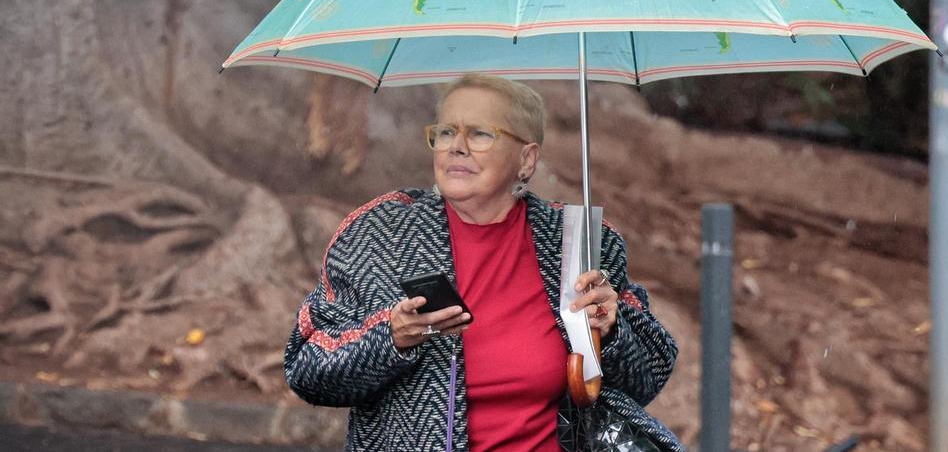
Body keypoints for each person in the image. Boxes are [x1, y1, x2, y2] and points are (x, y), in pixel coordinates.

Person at [283, 74, 682, 451]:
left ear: (526, 159)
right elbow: (307, 369)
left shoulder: (578, 242)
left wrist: (611, 331)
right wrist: (390, 338)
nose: (457, 146)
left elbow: (645, 377)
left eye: (479, 133)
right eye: (445, 132)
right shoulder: (379, 234)